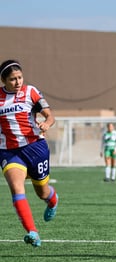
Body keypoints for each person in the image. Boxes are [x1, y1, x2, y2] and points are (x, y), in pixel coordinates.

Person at [0, 59, 59, 247]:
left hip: (35, 147)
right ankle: (33, 232)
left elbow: (50, 116)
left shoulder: (31, 92)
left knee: (42, 192)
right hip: (9, 151)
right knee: (17, 188)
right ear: (3, 81)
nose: (18, 82)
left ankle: (53, 200)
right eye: (12, 79)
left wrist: (46, 124)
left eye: (20, 77)